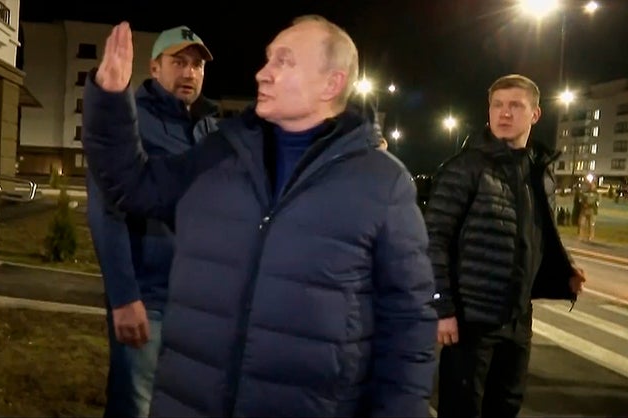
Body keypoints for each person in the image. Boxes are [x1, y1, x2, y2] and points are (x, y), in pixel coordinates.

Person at [83, 15, 437, 417]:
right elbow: (133, 187)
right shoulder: (220, 154)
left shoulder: (382, 183)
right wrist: (110, 100)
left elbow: (408, 322)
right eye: (267, 60)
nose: (261, 74)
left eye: (283, 62)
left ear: (331, 83)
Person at [424, 74, 587, 417]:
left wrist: (564, 270)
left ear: (535, 114)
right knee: (461, 409)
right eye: (497, 105)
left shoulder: (539, 173)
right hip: (471, 321)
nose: (504, 113)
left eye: (515, 105)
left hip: (518, 320)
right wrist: (443, 309)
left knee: (506, 407)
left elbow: (536, 237)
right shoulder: (466, 168)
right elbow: (433, 240)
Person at [85, 25, 219, 417]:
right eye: (179, 62)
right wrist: (125, 296)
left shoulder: (208, 128)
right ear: (154, 67)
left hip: (194, 300)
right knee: (135, 405)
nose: (190, 73)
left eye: (197, 65)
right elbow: (105, 209)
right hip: (148, 297)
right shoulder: (129, 119)